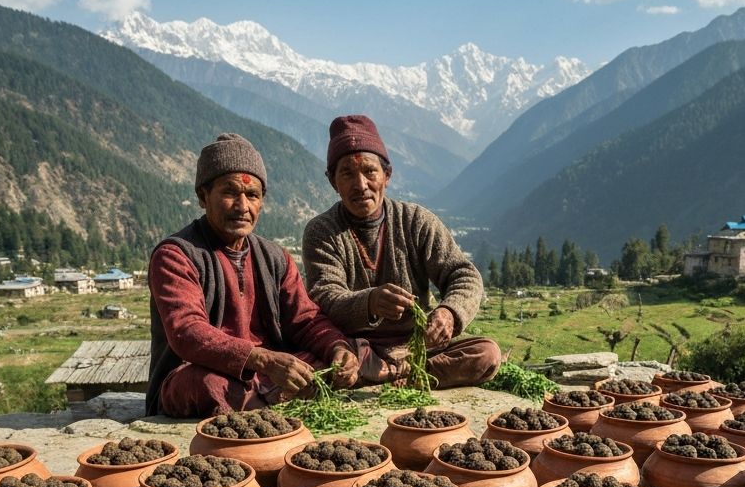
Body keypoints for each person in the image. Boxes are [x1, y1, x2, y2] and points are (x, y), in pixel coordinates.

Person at [147, 133, 359, 417]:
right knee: (206, 384)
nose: (242, 206)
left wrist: (337, 348)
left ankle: (267, 404)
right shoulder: (176, 255)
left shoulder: (274, 258)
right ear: (202, 196)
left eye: (252, 195)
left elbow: (306, 319)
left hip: (266, 376)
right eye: (230, 192)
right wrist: (264, 360)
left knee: (326, 365)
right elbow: (188, 332)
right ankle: (273, 408)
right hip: (203, 374)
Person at [302, 115, 500, 387]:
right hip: (358, 349)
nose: (361, 185)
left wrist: (449, 313)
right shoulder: (321, 231)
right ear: (333, 181)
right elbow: (325, 296)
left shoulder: (416, 221)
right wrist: (369, 302)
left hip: (417, 347)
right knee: (318, 364)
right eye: (347, 173)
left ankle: (403, 373)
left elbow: (463, 275)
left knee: (486, 354)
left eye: (370, 171)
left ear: (387, 175)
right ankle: (407, 375)